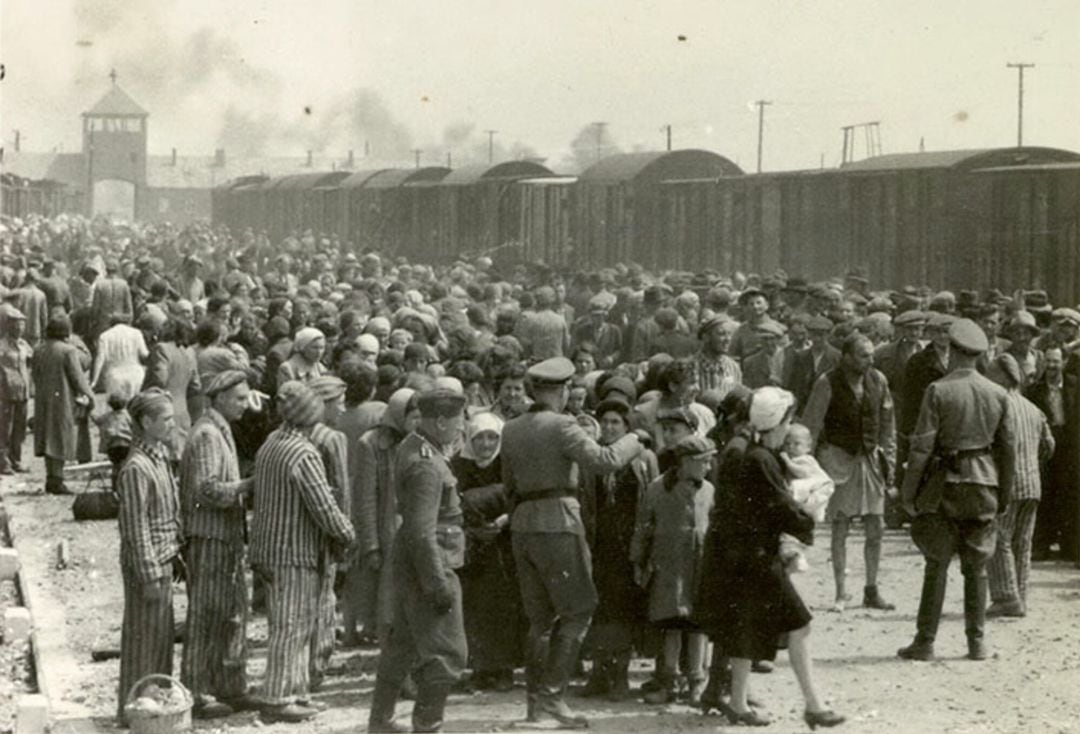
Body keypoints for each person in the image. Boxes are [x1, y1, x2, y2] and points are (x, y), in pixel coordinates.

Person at [501, 356, 643, 728]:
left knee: (540, 620)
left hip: (523, 526)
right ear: (562, 390)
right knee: (579, 609)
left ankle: (536, 706)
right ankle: (552, 699)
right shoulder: (562, 424)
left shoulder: (511, 428)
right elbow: (605, 459)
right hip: (559, 524)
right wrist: (635, 439)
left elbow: (509, 485)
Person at [705, 386, 844, 728]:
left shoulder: (751, 453)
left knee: (743, 629)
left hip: (741, 558)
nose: (789, 427)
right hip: (757, 560)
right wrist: (807, 518)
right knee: (801, 624)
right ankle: (813, 704)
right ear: (777, 422)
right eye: (787, 420)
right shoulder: (762, 459)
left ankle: (738, 703)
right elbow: (783, 509)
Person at [898, 319, 1016, 662]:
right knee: (976, 567)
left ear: (952, 351)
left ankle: (925, 640)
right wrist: (1004, 494)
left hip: (943, 485)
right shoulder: (997, 393)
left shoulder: (938, 390)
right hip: (984, 485)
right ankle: (976, 642)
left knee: (936, 563)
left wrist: (908, 493)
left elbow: (920, 449)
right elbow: (1007, 449)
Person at [250, 381, 356, 724]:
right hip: (293, 552)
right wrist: (347, 533)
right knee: (292, 627)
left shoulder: (271, 443)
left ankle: (294, 692)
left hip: (267, 547)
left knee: (285, 623)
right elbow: (323, 506)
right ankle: (279, 696)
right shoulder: (303, 453)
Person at [368, 388, 469, 734]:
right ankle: (427, 727)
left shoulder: (413, 445)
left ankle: (380, 722)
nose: (461, 428)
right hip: (432, 563)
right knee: (447, 655)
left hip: (414, 563)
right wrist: (437, 584)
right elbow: (422, 532)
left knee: (403, 646)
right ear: (440, 421)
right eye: (458, 421)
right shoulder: (427, 463)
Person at [179, 370, 257, 718]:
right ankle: (196, 690)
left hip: (224, 537)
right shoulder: (208, 435)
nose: (246, 404)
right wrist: (247, 486)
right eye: (240, 398)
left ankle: (228, 684)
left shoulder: (219, 429)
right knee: (206, 616)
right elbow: (206, 489)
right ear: (220, 397)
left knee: (231, 613)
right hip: (209, 537)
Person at [802, 334, 897, 612]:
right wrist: (812, 469)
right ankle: (841, 592)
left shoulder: (878, 380)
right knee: (840, 526)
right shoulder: (826, 383)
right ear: (846, 357)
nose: (870, 360)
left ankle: (871, 589)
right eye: (863, 355)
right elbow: (812, 425)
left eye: (870, 355)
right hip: (839, 459)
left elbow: (888, 425)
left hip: (869, 459)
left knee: (876, 526)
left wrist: (889, 461)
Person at [579, 396, 657, 701]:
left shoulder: (643, 457)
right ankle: (599, 672)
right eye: (606, 422)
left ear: (627, 427)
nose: (610, 428)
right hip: (601, 544)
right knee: (599, 611)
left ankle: (621, 676)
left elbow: (650, 501)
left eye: (617, 423)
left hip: (629, 545)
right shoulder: (594, 458)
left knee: (624, 611)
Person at [631, 434, 716, 705]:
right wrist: (638, 560)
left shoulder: (709, 490)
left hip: (700, 567)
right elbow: (643, 526)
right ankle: (668, 680)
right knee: (671, 624)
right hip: (669, 566)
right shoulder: (658, 488)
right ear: (686, 462)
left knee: (698, 625)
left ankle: (697, 681)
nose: (708, 467)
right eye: (704, 462)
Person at [115, 389, 183, 726]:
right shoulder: (137, 468)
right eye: (166, 419)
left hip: (163, 559)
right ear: (146, 422)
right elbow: (136, 528)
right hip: (149, 566)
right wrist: (150, 574)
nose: (172, 425)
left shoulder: (159, 457)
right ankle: (135, 711)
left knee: (159, 640)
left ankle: (152, 707)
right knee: (143, 641)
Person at [449, 412, 523, 692]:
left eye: (493, 437)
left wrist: (504, 520)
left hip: (504, 543)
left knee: (505, 605)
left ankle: (504, 669)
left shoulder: (509, 464)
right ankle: (480, 668)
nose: (486, 444)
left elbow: (518, 498)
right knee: (476, 607)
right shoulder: (459, 465)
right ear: (470, 439)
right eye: (480, 438)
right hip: (473, 545)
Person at [348, 388, 419, 647]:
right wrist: (371, 545)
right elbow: (364, 499)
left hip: (415, 529)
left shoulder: (422, 443)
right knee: (387, 598)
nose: (418, 424)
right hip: (387, 530)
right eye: (414, 417)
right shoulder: (371, 444)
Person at [986, 354, 1054, 617]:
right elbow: (1049, 446)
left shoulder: (999, 405)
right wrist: (1032, 462)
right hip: (1032, 483)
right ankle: (1020, 596)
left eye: (991, 373)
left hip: (1008, 483)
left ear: (1004, 376)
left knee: (999, 537)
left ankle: (1005, 597)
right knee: (1023, 542)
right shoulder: (1033, 408)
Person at [32, 315, 95, 495]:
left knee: (47, 437)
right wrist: (90, 396)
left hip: (43, 398)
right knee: (59, 436)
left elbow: (35, 374)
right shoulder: (68, 351)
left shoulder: (38, 349)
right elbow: (78, 378)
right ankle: (57, 481)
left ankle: (51, 477)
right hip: (62, 399)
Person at [1028, 347, 1077, 561]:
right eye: (1047, 361)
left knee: (1070, 496)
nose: (1051, 366)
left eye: (1055, 361)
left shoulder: (1075, 385)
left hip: (1071, 447)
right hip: (1045, 447)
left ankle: (1070, 547)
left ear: (1063, 362)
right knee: (1045, 494)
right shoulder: (1033, 391)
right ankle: (1041, 545)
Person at [0, 305, 32, 474]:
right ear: (9, 326)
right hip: (6, 392)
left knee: (20, 429)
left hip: (23, 391)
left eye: (22, 325)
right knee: (5, 429)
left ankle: (16, 460)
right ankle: (3, 462)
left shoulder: (24, 344)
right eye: (17, 325)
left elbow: (32, 361)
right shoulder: (2, 346)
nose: (20, 329)